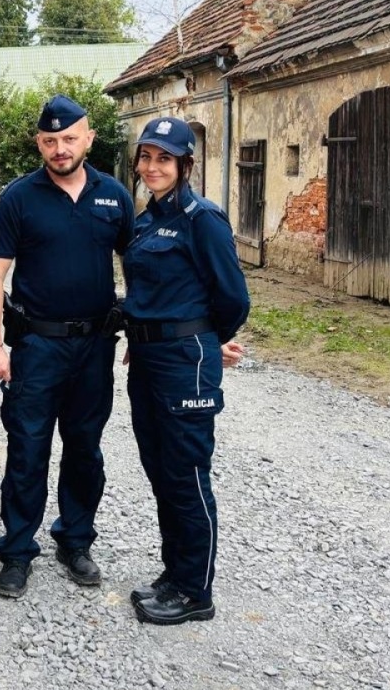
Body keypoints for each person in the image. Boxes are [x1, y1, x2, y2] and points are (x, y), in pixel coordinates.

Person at [0, 95, 135, 599]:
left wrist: (139, 326)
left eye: (70, 138)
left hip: (94, 347)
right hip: (36, 347)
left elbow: (139, 265)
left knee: (85, 449)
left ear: (89, 138)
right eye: (50, 140)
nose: (60, 148)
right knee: (27, 450)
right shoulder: (20, 198)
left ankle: (75, 540)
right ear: (39, 144)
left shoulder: (114, 195)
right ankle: (18, 550)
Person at [122, 117, 250, 625]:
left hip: (184, 363)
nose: (153, 167)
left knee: (187, 475)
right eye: (147, 157)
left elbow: (233, 298)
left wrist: (203, 340)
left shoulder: (203, 219)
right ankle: (175, 573)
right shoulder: (146, 221)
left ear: (185, 165)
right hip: (147, 359)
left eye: (164, 159)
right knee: (160, 470)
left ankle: (196, 592)